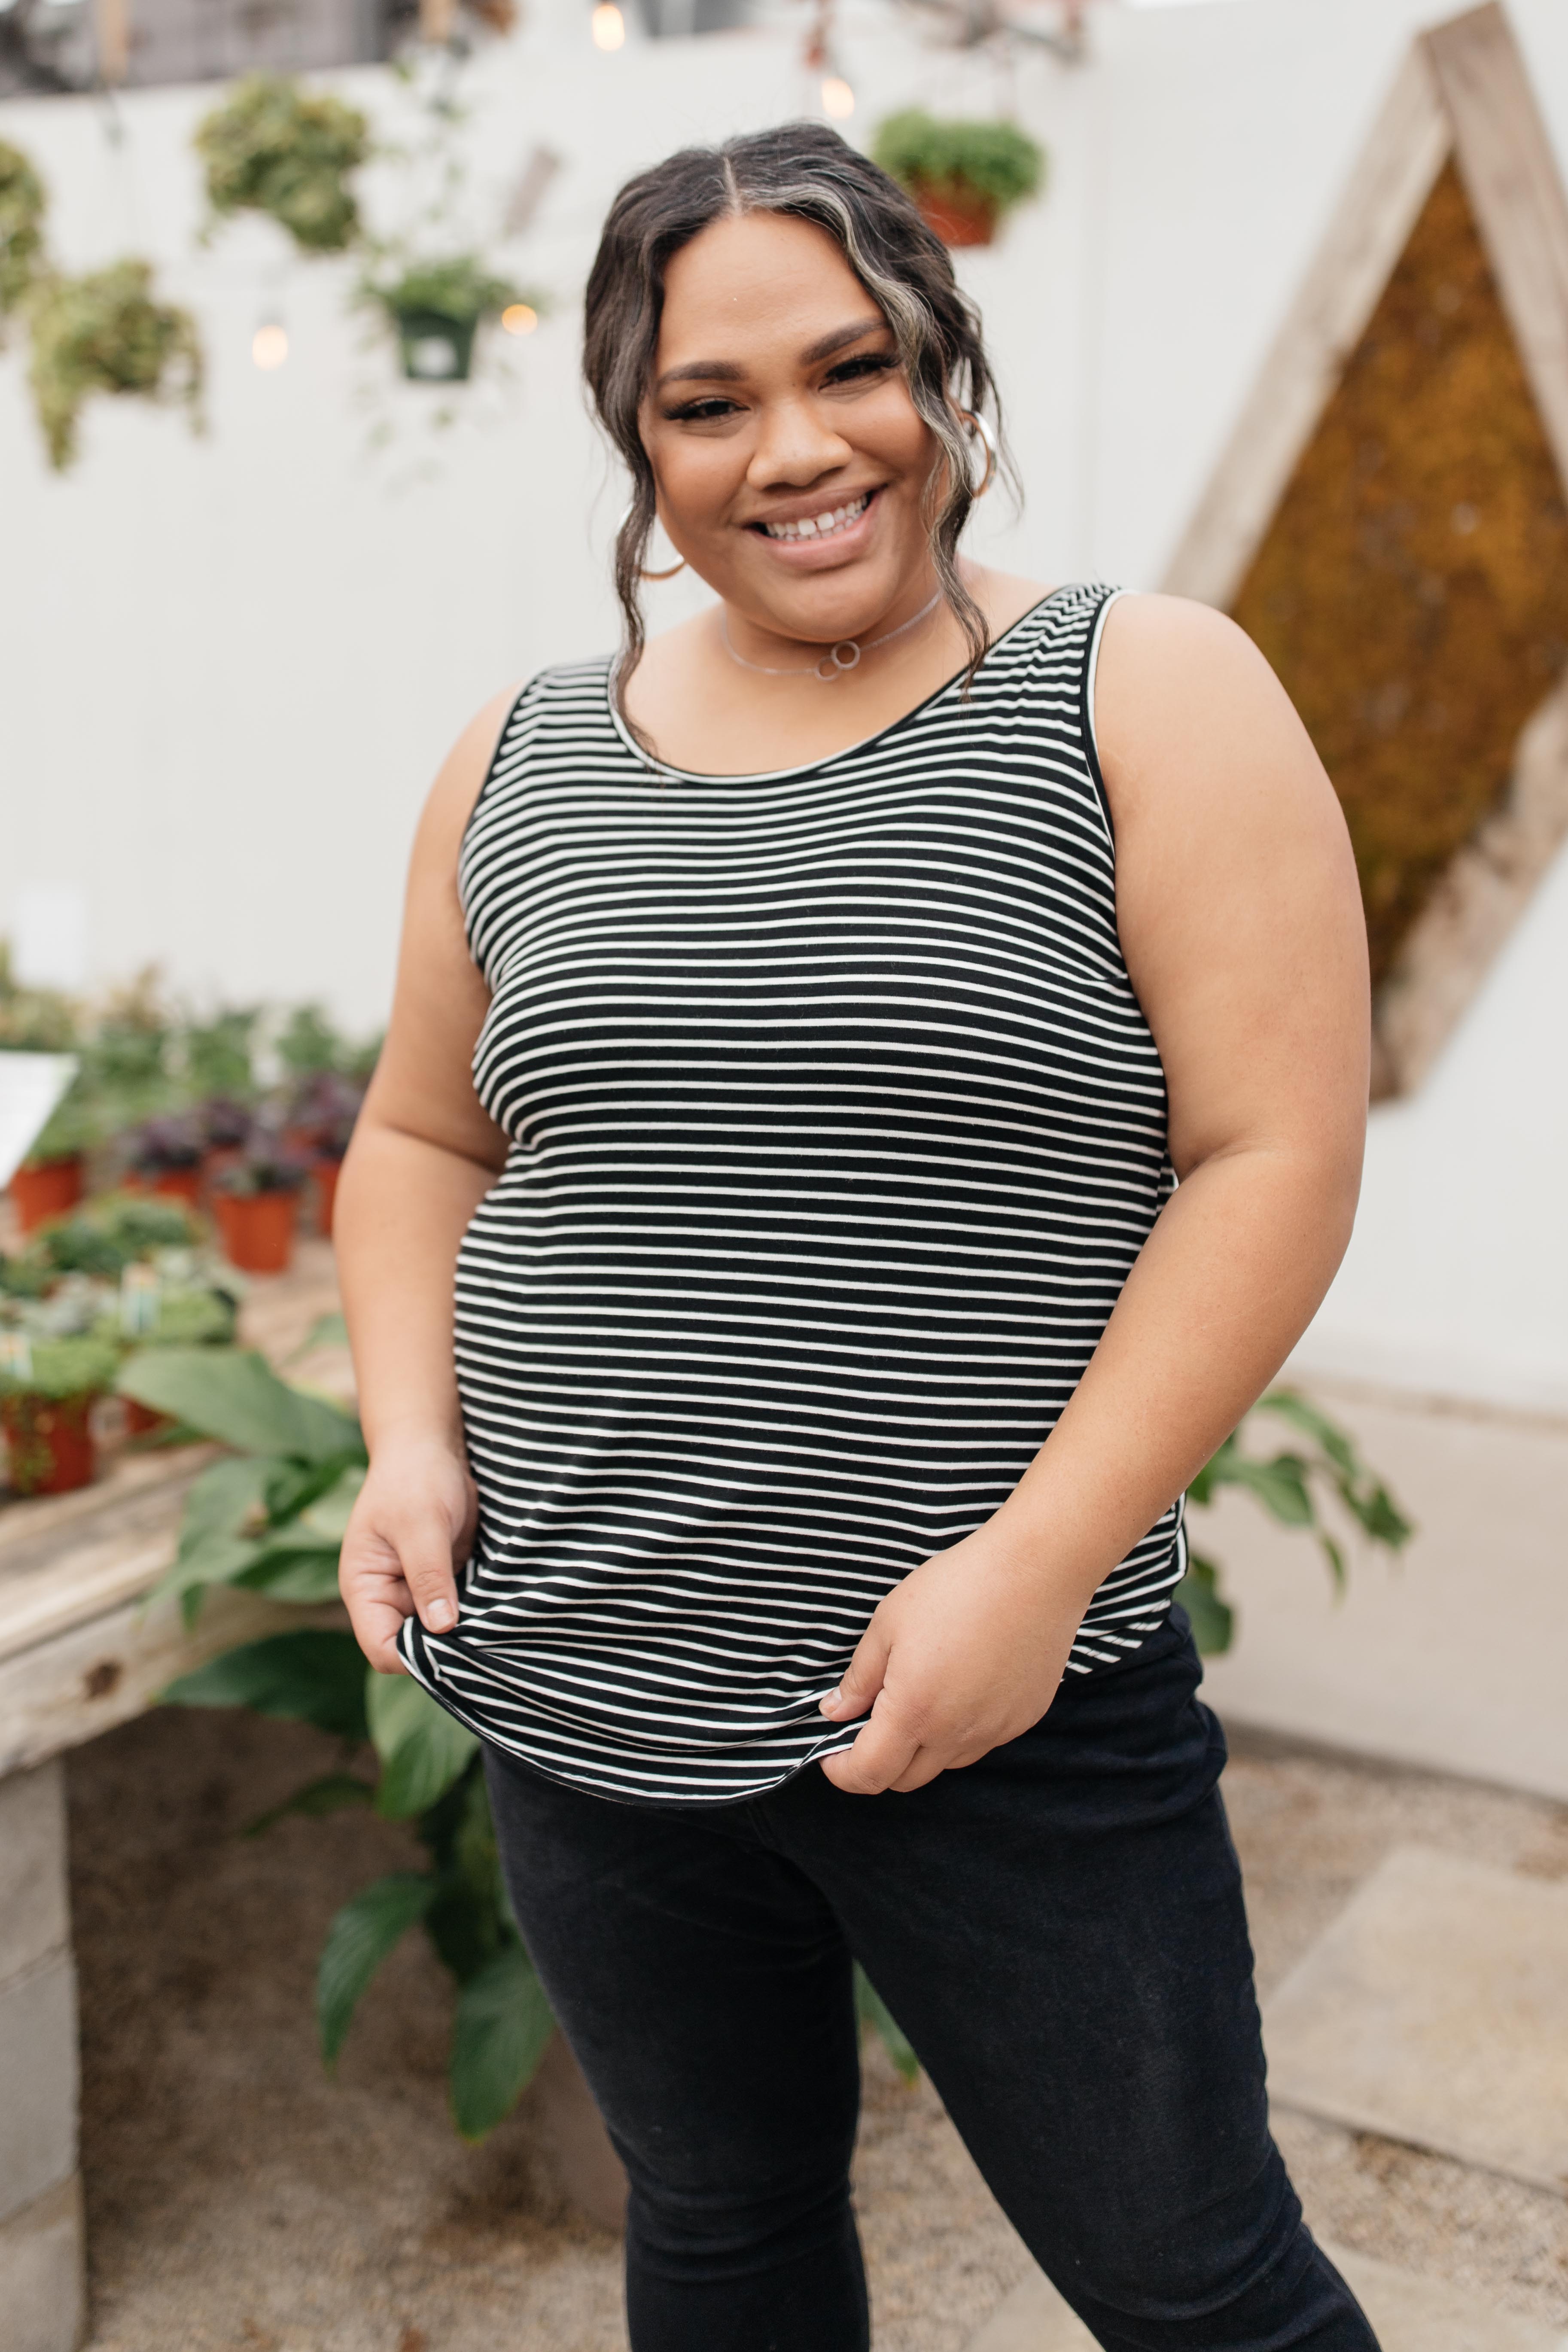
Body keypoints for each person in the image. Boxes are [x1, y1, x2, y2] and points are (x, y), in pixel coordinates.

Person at [335, 123, 1379, 2352]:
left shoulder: (1138, 692)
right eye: (710, 404)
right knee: (718, 2216)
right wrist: (406, 1442)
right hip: (575, 1681)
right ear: (637, 437)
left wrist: (1029, 1567)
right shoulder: (517, 758)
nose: (799, 450)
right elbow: (423, 1135)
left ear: (942, 361)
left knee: (1196, 2288)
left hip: (1005, 1714)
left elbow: (1271, 1155)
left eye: (853, 364)